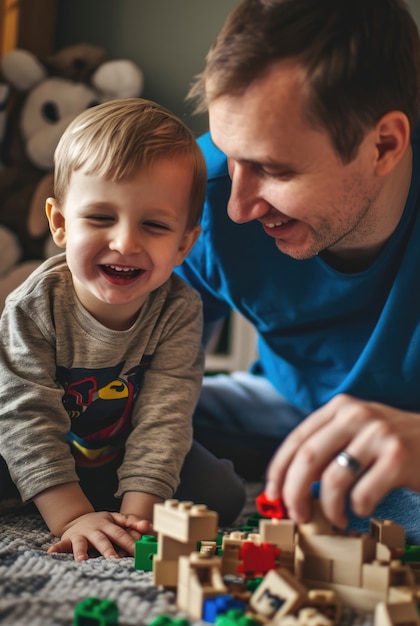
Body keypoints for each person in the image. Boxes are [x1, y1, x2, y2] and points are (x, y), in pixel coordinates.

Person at [176, 0, 420, 550]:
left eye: (273, 169)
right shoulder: (201, 192)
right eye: (228, 152)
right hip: (289, 405)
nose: (237, 207)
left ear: (383, 144)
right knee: (84, 415)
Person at [0, 98, 245, 562]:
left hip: (116, 451)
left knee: (223, 493)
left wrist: (138, 517)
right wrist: (71, 517)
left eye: (154, 225)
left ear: (183, 245)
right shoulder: (34, 306)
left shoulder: (178, 309)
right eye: (100, 218)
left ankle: (102, 502)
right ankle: (56, 497)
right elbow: (23, 415)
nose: (126, 243)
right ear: (60, 224)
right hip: (23, 437)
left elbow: (165, 418)